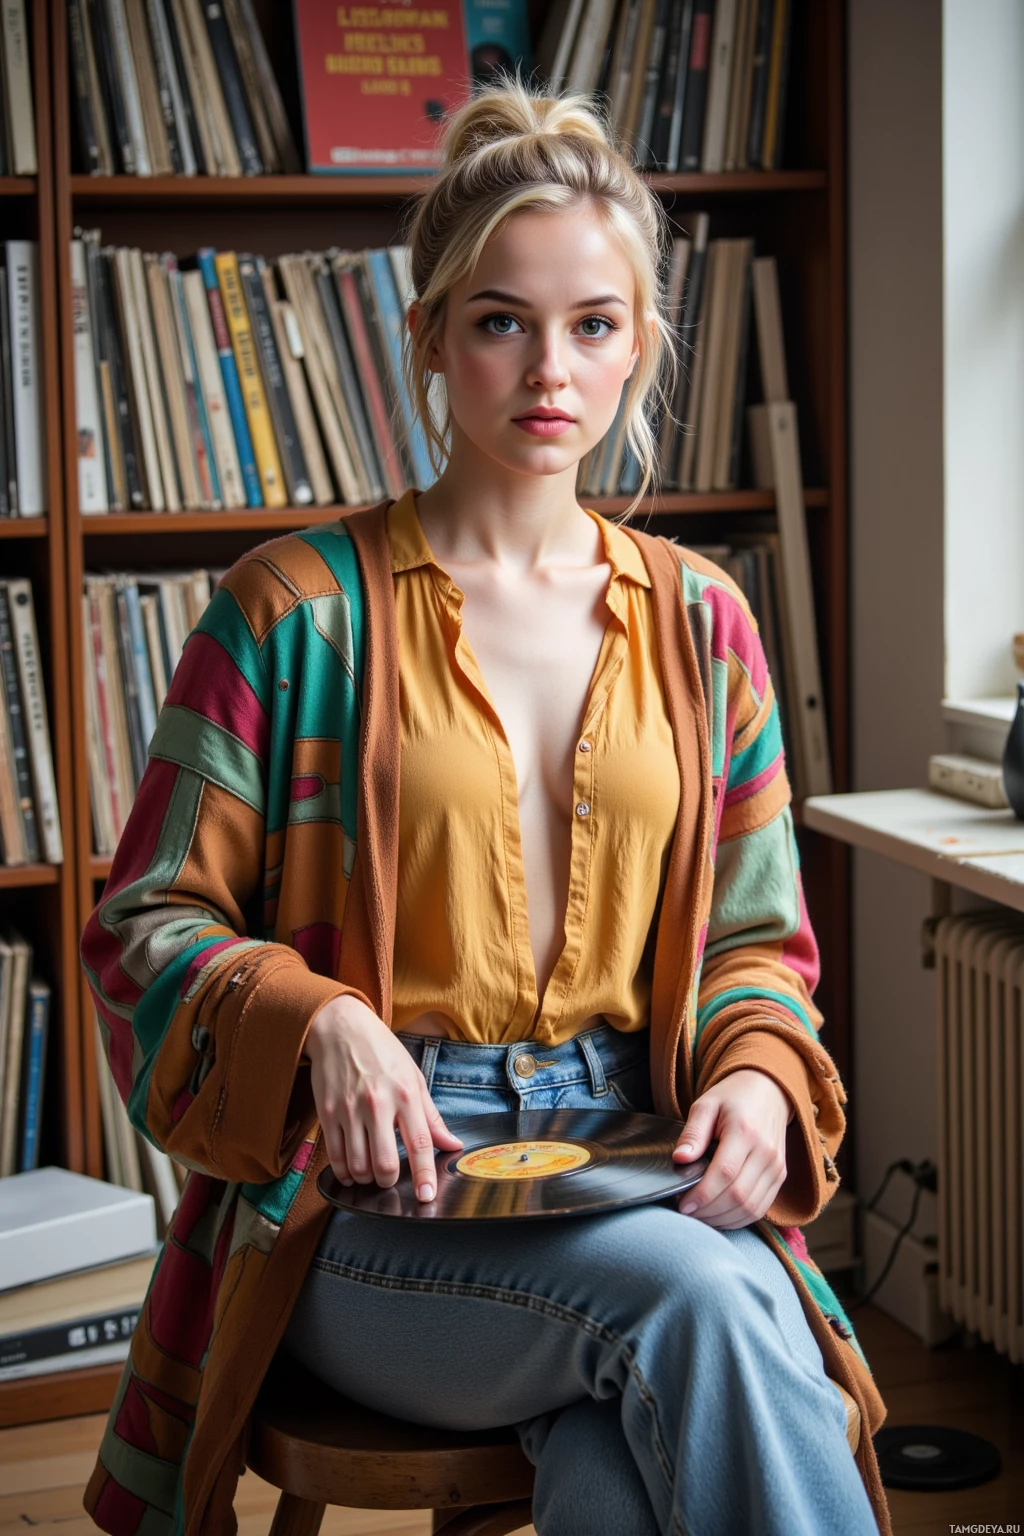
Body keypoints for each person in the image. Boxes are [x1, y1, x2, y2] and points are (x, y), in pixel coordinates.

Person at [80, 82, 888, 1536]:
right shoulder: (292, 612)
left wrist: (761, 1081)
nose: (549, 371)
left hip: (635, 1155)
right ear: (433, 339)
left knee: (621, 1455)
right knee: (712, 1310)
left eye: (593, 323)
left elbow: (759, 948)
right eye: (502, 320)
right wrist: (315, 1019)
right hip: (370, 1198)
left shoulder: (707, 626)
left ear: (641, 343)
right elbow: (143, 921)